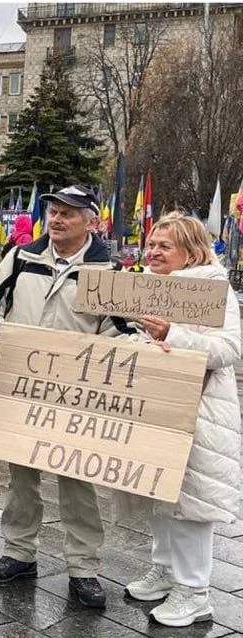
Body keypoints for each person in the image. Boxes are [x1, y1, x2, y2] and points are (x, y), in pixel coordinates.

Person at [0, 185, 141, 608]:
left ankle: (84, 568)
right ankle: (18, 553)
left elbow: (125, 330)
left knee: (77, 480)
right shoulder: (22, 256)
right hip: (23, 389)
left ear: (91, 222)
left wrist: (105, 356)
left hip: (77, 397)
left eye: (68, 212)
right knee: (20, 476)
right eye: (53, 211)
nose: (57, 218)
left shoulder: (108, 272)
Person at [121, 213, 241, 627]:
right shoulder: (149, 285)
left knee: (191, 504)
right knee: (158, 492)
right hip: (157, 406)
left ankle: (194, 592)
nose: (152, 252)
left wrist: (172, 334)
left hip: (200, 413)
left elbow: (229, 349)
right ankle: (166, 569)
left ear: (190, 253)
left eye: (163, 246)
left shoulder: (213, 290)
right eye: (151, 244)